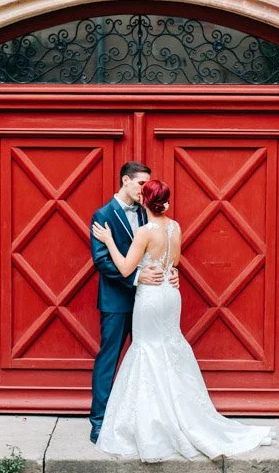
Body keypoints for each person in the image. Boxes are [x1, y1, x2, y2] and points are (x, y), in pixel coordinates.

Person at [91, 178, 276, 462]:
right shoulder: (175, 227)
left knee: (148, 350)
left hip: (151, 297)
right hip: (169, 293)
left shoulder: (144, 230)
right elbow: (173, 264)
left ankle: (157, 422)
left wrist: (110, 241)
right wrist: (167, 272)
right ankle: (180, 415)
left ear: (146, 201)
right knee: (168, 346)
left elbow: (126, 266)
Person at [88, 162, 180, 444]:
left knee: (150, 359)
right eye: (141, 183)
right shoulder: (102, 215)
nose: (145, 189)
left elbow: (161, 249)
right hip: (117, 300)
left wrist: (171, 271)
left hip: (150, 303)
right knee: (110, 359)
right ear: (125, 181)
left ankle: (147, 420)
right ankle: (99, 421)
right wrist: (138, 277)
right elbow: (102, 260)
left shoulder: (149, 211)